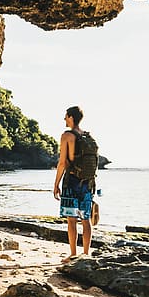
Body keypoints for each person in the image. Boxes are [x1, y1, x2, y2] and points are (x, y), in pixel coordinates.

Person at [53, 105, 93, 261]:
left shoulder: (67, 136)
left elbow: (62, 162)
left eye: (66, 116)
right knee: (86, 218)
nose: (64, 119)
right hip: (87, 182)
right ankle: (86, 254)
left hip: (71, 181)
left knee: (71, 219)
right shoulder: (87, 136)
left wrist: (56, 184)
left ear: (71, 117)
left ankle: (73, 253)